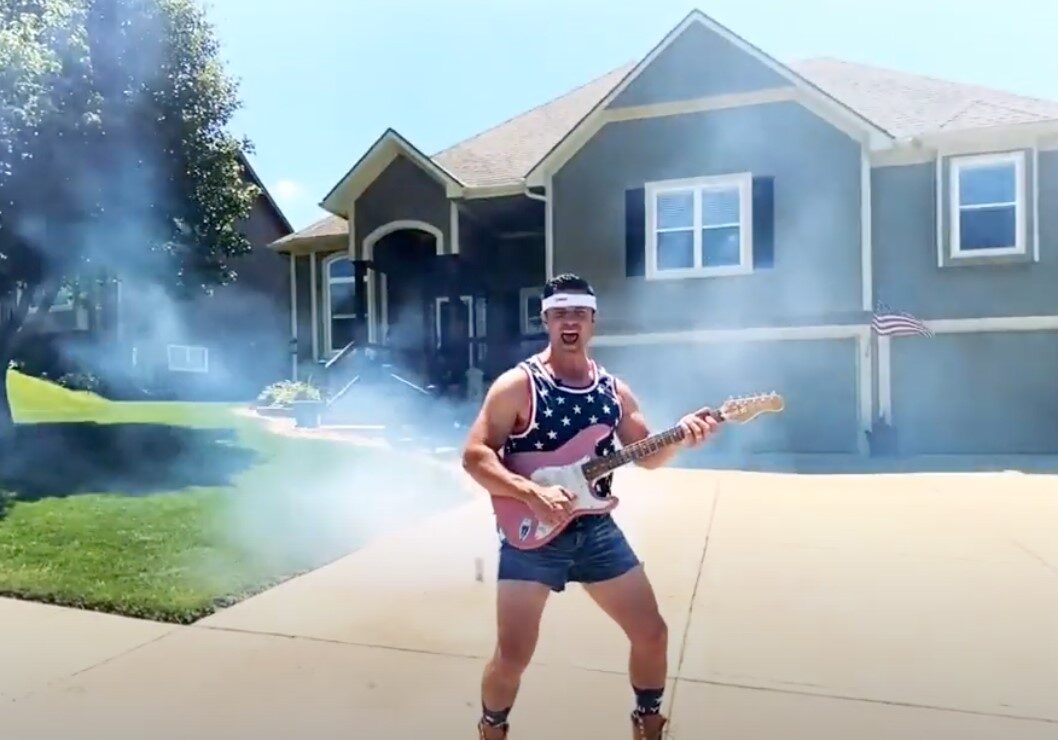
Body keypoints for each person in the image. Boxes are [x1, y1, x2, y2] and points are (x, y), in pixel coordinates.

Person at [460, 273, 720, 739]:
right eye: (560, 313)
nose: (570, 322)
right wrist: (530, 493)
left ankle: (648, 720)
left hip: (596, 531)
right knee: (512, 656)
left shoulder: (613, 392)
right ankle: (492, 727)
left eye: (579, 312)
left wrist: (682, 436)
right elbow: (475, 456)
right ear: (545, 320)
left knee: (652, 634)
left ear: (593, 321)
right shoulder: (518, 385)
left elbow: (648, 455)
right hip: (531, 537)